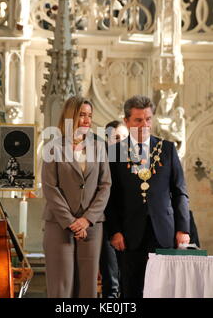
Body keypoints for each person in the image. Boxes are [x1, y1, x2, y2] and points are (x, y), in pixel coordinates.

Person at [105, 95, 191, 298]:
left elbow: (180, 192)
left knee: (163, 290)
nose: (145, 124)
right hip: (128, 234)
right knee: (131, 290)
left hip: (163, 231)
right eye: (138, 120)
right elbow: (110, 197)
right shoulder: (114, 152)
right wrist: (114, 231)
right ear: (126, 121)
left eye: (148, 119)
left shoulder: (167, 149)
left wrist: (183, 229)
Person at [42, 96, 111, 298]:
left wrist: (86, 220)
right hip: (59, 225)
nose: (87, 120)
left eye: (89, 115)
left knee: (87, 287)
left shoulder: (98, 147)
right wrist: (71, 222)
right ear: (70, 116)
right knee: (61, 286)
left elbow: (105, 185)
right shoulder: (52, 147)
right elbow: (50, 188)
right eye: (82, 115)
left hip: (92, 227)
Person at [100, 120, 128, 298]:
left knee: (130, 283)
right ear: (107, 140)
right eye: (116, 138)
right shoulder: (101, 163)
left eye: (125, 137)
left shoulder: (134, 165)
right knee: (112, 284)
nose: (121, 142)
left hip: (131, 230)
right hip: (107, 228)